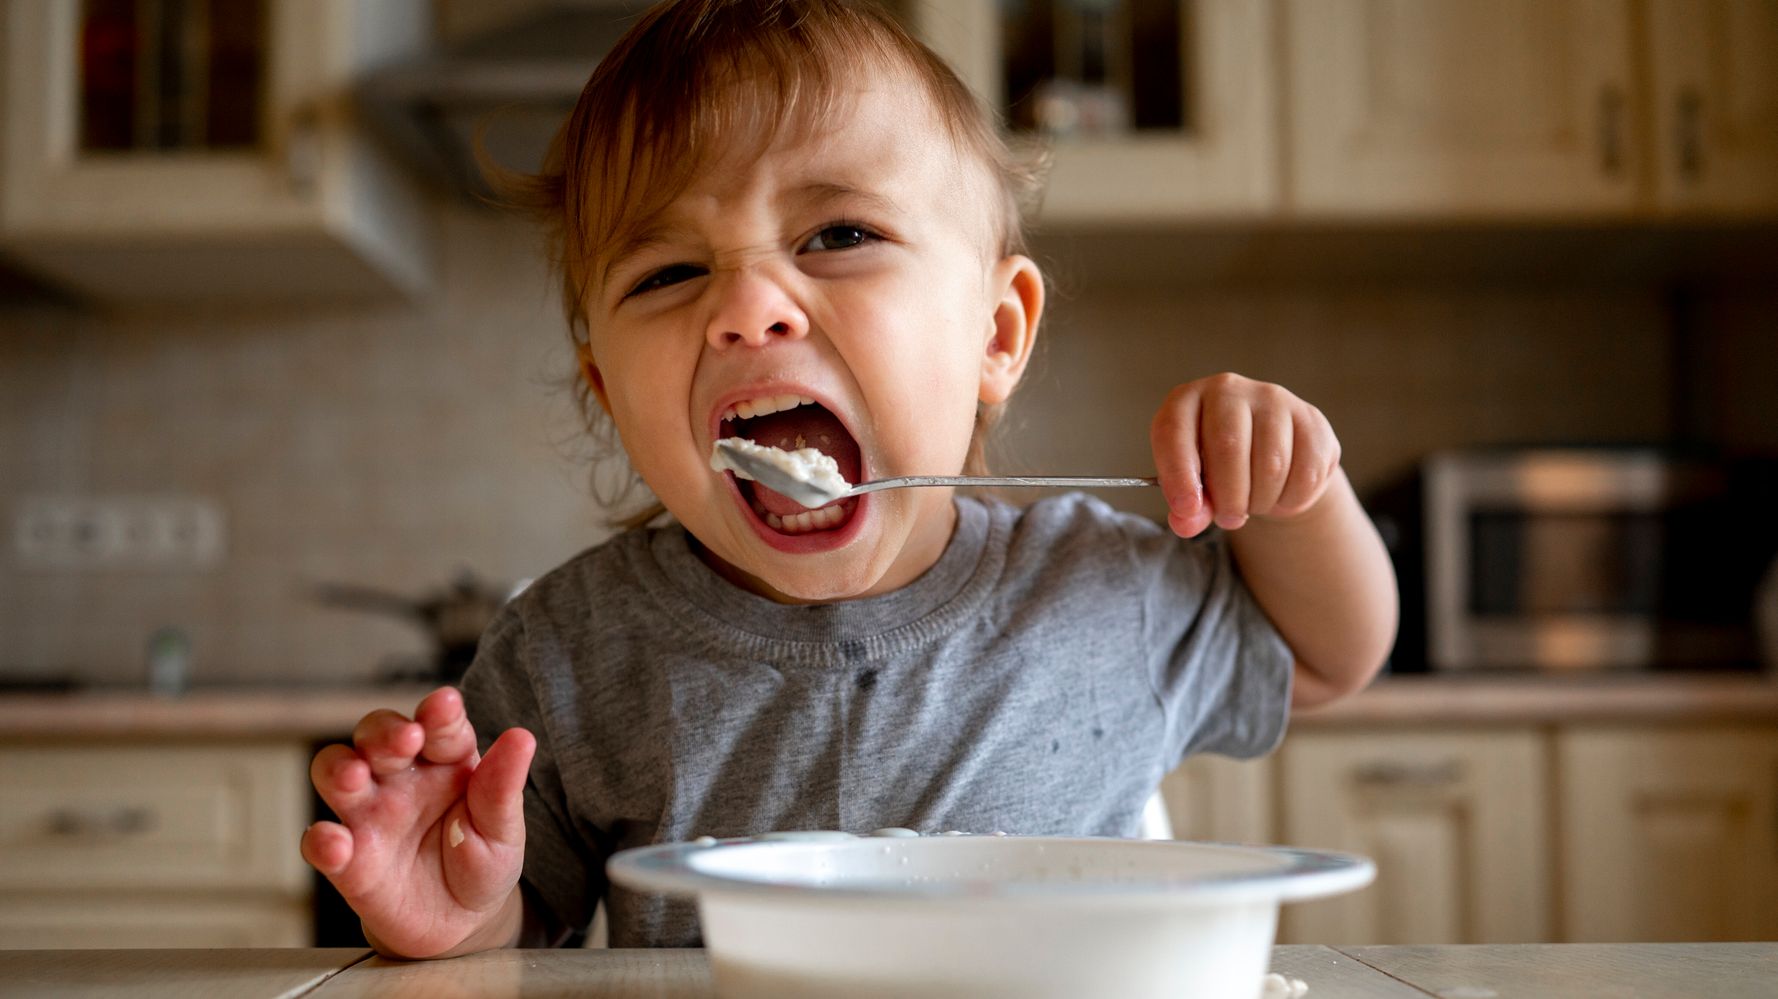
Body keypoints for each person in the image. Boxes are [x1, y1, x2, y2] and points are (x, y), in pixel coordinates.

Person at [300, 0, 1397, 958]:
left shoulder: (1095, 587)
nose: (745, 307)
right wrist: (457, 914)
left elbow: (1329, 657)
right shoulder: (565, 655)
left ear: (995, 335)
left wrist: (1299, 493)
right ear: (605, 390)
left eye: (836, 233)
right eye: (670, 271)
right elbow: (523, 919)